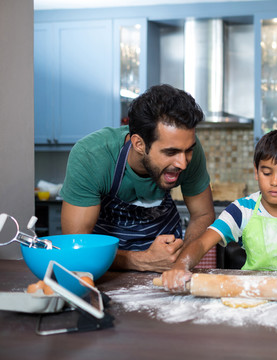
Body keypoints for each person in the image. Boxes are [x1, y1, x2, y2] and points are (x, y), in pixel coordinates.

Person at [161, 128, 277, 300]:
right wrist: (180, 266)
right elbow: (201, 243)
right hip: (253, 291)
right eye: (266, 172)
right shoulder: (241, 210)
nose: (275, 182)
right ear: (256, 171)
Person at [60, 84, 215, 272]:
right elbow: (78, 244)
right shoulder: (91, 156)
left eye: (188, 150)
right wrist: (140, 260)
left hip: (167, 266)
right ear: (139, 144)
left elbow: (203, 215)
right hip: (104, 269)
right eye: (171, 152)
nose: (183, 163)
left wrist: (181, 259)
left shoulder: (187, 149)